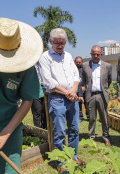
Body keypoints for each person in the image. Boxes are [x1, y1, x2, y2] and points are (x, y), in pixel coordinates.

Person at [0, 18, 44, 174]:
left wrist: (5, 134)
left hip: (8, 126)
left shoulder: (26, 66)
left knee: (9, 170)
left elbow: (27, 100)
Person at [38, 28, 85, 173]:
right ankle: (60, 161)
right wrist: (67, 92)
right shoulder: (45, 57)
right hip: (57, 99)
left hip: (72, 98)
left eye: (62, 43)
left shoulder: (68, 56)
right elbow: (48, 81)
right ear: (51, 42)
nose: (60, 46)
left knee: (74, 129)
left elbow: (76, 75)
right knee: (59, 131)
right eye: (57, 43)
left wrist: (73, 89)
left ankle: (73, 155)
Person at [82, 45, 112, 146]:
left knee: (104, 117)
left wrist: (104, 89)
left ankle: (106, 137)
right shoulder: (85, 65)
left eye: (98, 54)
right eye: (93, 54)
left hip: (102, 95)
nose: (95, 56)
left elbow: (109, 80)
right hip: (90, 95)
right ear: (91, 54)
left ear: (101, 55)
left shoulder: (107, 66)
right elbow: (83, 80)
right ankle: (91, 137)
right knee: (92, 118)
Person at [31, 63, 47, 129]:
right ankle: (37, 130)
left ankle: (45, 129)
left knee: (45, 111)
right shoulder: (30, 66)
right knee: (37, 111)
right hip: (35, 90)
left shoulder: (44, 65)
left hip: (45, 89)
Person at [75, 56, 85, 122]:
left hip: (84, 88)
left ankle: (88, 116)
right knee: (78, 103)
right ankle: (79, 117)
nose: (78, 63)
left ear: (82, 62)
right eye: (77, 62)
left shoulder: (84, 69)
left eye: (79, 62)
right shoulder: (73, 69)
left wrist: (84, 86)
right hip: (76, 89)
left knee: (85, 102)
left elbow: (87, 78)